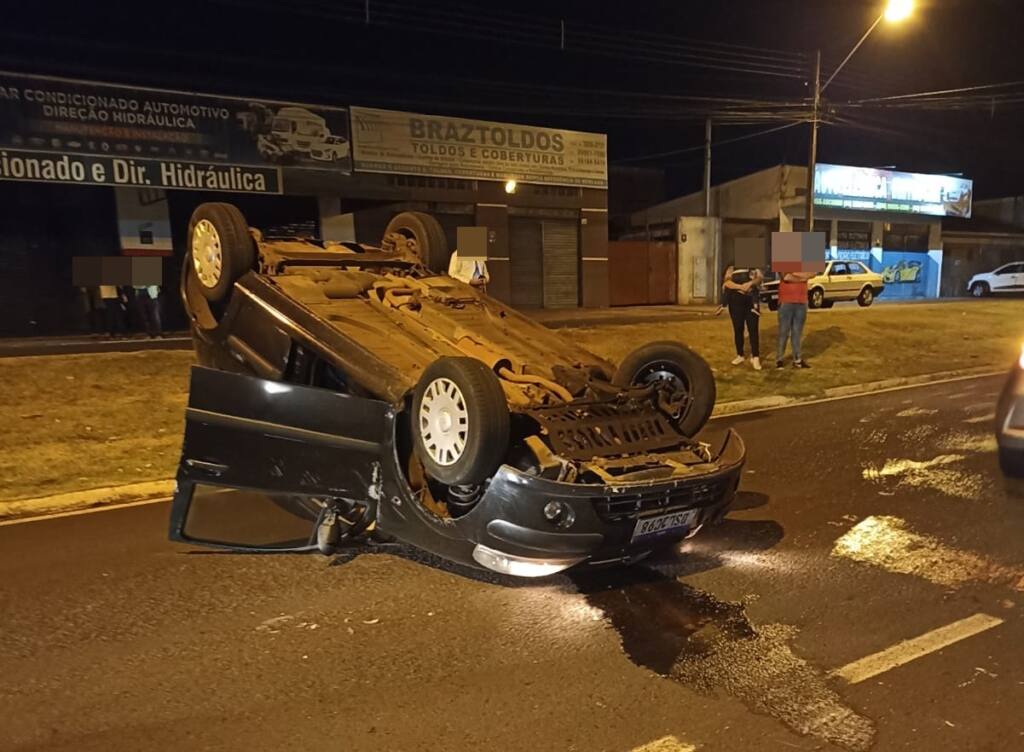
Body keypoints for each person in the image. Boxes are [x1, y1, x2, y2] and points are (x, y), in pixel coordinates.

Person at [723, 265, 763, 371]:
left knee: (753, 329)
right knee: (738, 328)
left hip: (751, 302)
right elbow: (727, 282)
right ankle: (740, 355)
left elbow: (759, 278)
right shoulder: (732, 266)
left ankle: (755, 357)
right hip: (735, 302)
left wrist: (750, 283)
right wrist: (740, 287)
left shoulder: (754, 264)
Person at [776, 270, 816, 369]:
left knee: (797, 332)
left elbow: (813, 273)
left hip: (802, 301)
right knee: (784, 332)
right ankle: (779, 359)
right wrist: (803, 277)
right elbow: (785, 277)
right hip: (786, 300)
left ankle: (797, 360)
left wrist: (794, 274)